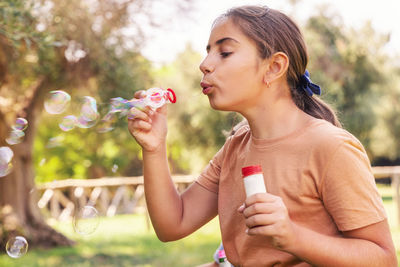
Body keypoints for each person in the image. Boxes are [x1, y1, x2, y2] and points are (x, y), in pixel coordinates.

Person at [128, 5, 398, 267]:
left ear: (274, 67)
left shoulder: (330, 147)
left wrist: (293, 237)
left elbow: (383, 259)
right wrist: (154, 148)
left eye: (224, 52)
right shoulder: (236, 146)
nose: (204, 65)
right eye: (208, 52)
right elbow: (173, 224)